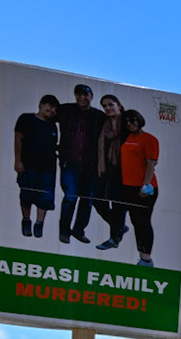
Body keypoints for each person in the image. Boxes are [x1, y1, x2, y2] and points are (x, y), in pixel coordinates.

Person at [100, 109, 160, 268]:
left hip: (143, 189)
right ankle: (115, 239)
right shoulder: (127, 138)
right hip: (125, 187)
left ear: (139, 120)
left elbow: (151, 164)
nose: (130, 124)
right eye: (126, 121)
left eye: (133, 120)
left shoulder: (149, 139)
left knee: (142, 223)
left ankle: (146, 259)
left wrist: (145, 186)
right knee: (119, 215)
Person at [55, 83, 102, 245]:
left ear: (91, 97)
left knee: (87, 199)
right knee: (70, 197)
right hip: (70, 163)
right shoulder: (65, 110)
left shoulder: (99, 116)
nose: (82, 97)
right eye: (78, 94)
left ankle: (78, 230)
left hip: (90, 165)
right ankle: (64, 231)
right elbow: (46, 115)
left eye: (85, 94)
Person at [13, 94, 60, 239]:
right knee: (26, 194)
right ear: (41, 104)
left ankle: (39, 224)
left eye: (54, 109)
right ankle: (26, 220)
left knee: (45, 197)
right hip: (28, 165)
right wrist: (18, 160)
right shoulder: (26, 119)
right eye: (50, 107)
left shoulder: (53, 126)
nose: (51, 111)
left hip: (48, 168)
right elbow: (18, 139)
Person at [91, 94, 128, 252]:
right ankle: (119, 226)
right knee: (97, 201)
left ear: (119, 105)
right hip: (106, 168)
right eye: (104, 105)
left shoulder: (128, 122)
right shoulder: (104, 124)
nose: (107, 108)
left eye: (111, 104)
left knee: (119, 205)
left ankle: (114, 238)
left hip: (124, 169)